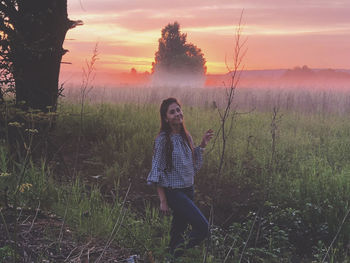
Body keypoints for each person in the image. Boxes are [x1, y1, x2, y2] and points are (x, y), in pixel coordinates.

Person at [147, 97, 214, 259]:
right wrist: (163, 201)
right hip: (174, 193)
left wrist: (202, 145)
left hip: (188, 189)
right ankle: (176, 253)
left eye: (178, 110)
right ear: (166, 118)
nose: (177, 114)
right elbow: (157, 170)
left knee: (178, 231)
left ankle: (171, 257)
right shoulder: (163, 140)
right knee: (203, 228)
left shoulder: (186, 136)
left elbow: (192, 167)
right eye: (172, 112)